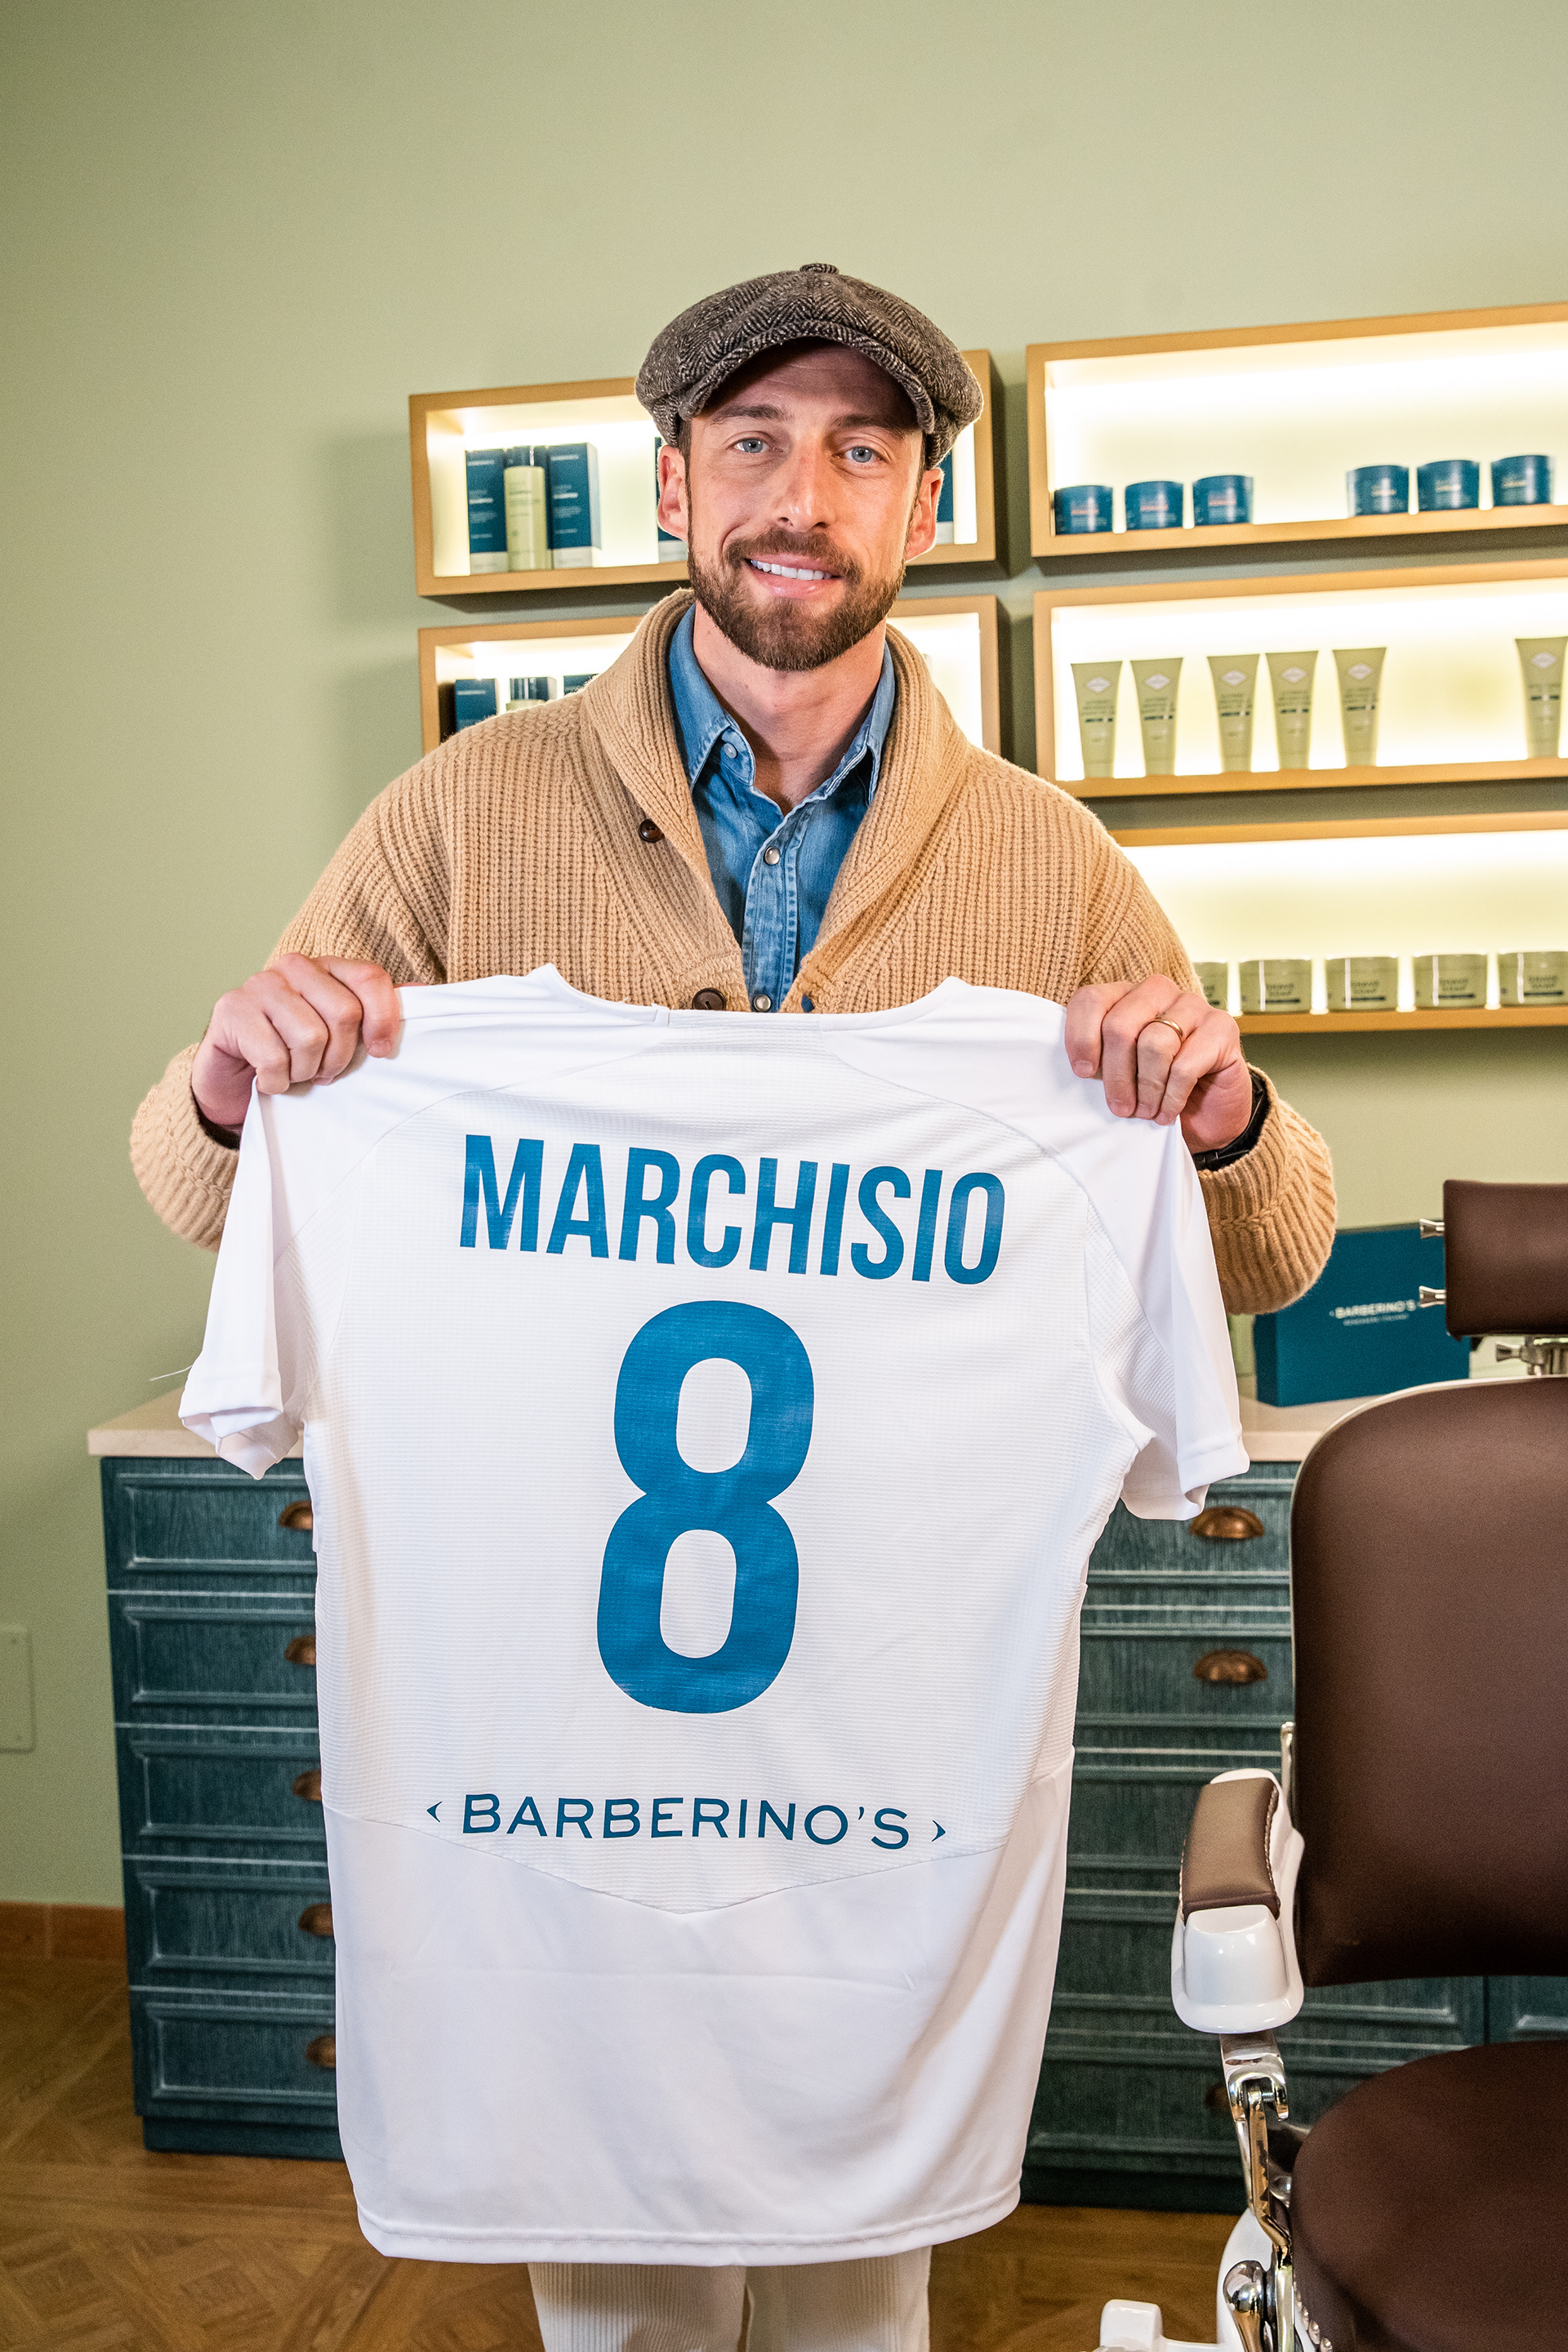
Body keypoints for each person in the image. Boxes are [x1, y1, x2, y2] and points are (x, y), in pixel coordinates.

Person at [131, 265, 1334, 2352]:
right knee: (616, 2287)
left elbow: (1277, 1246)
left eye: (864, 450)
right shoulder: (463, 812)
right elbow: (198, 1183)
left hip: (884, 1697)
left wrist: (1219, 1116)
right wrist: (241, 1081)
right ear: (674, 484)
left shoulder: (1046, 858)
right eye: (755, 442)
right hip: (556, 1705)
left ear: (925, 505)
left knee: (865, 2274)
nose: (805, 496)